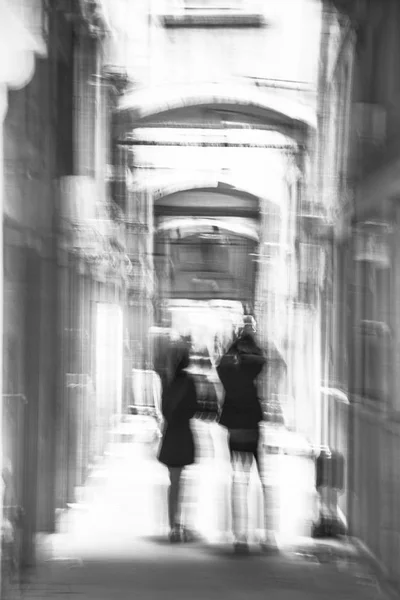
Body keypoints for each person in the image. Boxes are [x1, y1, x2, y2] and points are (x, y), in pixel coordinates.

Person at [217, 316, 275, 554]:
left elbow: (220, 365)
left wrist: (234, 344)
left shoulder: (229, 371)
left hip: (235, 428)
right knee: (262, 481)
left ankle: (240, 537)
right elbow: (262, 359)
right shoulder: (253, 368)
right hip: (251, 427)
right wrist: (251, 344)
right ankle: (268, 536)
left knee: (238, 481)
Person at [158, 340, 199, 543]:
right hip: (183, 434)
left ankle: (174, 523)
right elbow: (194, 407)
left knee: (174, 481)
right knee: (180, 481)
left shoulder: (168, 382)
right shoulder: (188, 382)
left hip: (171, 434)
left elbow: (164, 409)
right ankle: (178, 523)